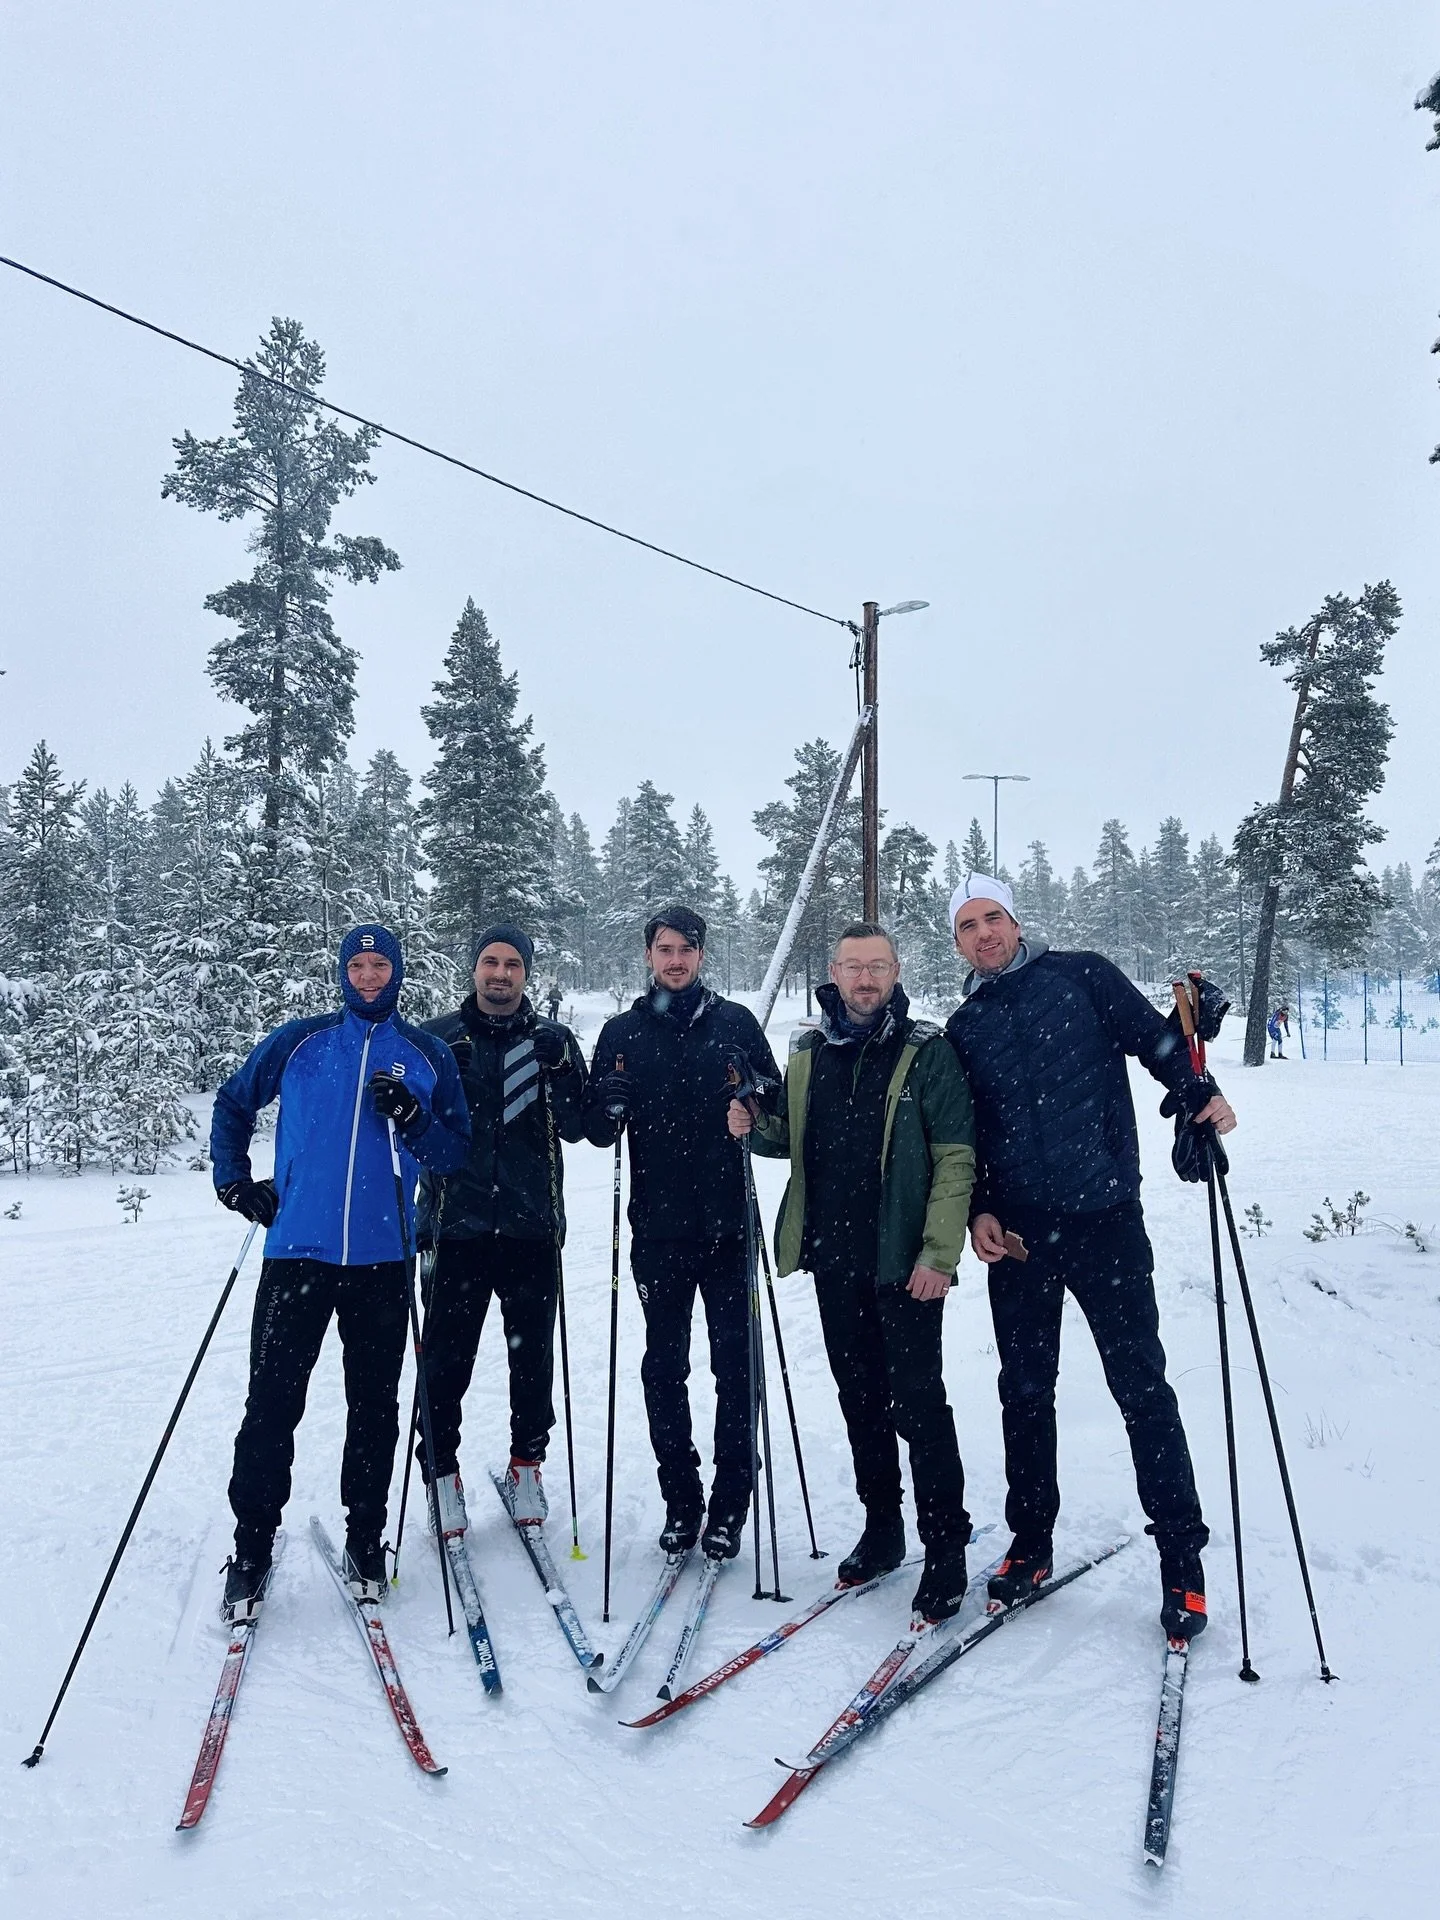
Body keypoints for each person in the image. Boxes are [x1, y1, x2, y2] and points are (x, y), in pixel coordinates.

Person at [944, 876, 1237, 1640]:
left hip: (1105, 1221)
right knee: (1024, 1393)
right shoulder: (964, 1025)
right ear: (958, 942)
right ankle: (1030, 1545)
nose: (984, 933)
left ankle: (1182, 1563)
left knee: (1142, 1389)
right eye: (968, 925)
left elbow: (1157, 1041)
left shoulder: (1082, 976)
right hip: (1019, 1236)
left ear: (1016, 921)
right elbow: (968, 1131)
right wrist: (979, 1207)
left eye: (993, 917)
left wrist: (1197, 1093)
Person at [210, 925, 470, 1620]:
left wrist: (413, 1117)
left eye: (380, 964)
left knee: (374, 1407)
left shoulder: (426, 1053)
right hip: (296, 1250)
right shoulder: (302, 1042)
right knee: (271, 1405)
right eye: (357, 964)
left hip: (383, 1259)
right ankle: (252, 1547)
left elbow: (452, 1153)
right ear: (342, 971)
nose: (368, 975)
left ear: (398, 972)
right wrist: (234, 1182)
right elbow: (234, 1103)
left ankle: (365, 1540)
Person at [732, 923, 978, 1621]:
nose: (865, 979)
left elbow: (955, 1158)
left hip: (904, 1261)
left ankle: (946, 1545)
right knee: (860, 1401)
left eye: (877, 966)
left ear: (896, 972)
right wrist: (753, 1120)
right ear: (834, 974)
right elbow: (792, 1136)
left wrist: (939, 1255)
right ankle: (882, 1528)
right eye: (853, 967)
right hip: (834, 1259)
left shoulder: (927, 1050)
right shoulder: (810, 1049)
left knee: (919, 1405)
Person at [583, 905, 782, 1561]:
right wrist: (607, 1101)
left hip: (728, 1229)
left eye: (686, 949)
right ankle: (681, 1500)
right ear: (649, 955)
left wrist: (753, 1098)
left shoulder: (736, 1023)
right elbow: (594, 1125)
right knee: (663, 1369)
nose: (675, 960)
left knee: (735, 1369)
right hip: (657, 1233)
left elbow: (776, 1100)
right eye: (665, 949)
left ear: (701, 955)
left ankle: (729, 1505)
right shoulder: (622, 1032)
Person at [415, 924, 590, 1532]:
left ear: (526, 973)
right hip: (452, 1229)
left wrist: (562, 1070)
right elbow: (405, 1126)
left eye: (513, 963)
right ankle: (440, 1474)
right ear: (474, 968)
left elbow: (580, 1127)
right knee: (445, 1362)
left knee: (533, 1360)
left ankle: (527, 1467)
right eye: (490, 961)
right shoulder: (437, 1038)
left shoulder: (552, 1038)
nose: (500, 973)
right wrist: (433, 1086)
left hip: (529, 1228)